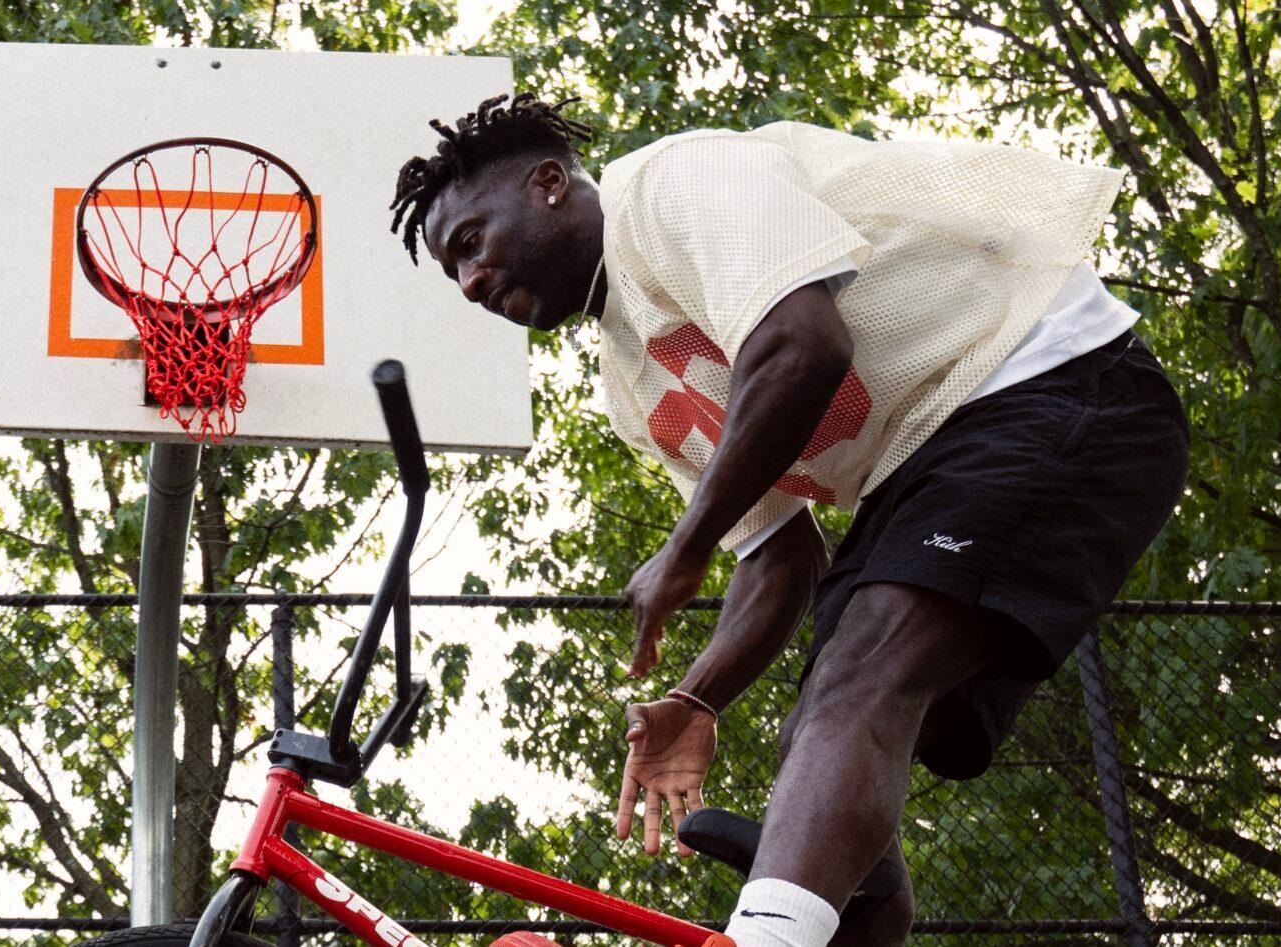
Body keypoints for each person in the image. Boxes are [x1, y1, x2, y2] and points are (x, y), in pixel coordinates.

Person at [389, 93, 1189, 947]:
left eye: (470, 243)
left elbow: (805, 343)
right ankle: (840, 916)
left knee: (861, 675)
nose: (470, 281)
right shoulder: (631, 382)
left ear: (548, 183)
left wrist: (686, 542)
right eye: (454, 274)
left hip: (1048, 375)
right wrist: (697, 694)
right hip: (920, 461)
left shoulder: (670, 185)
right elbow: (780, 559)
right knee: (819, 731)